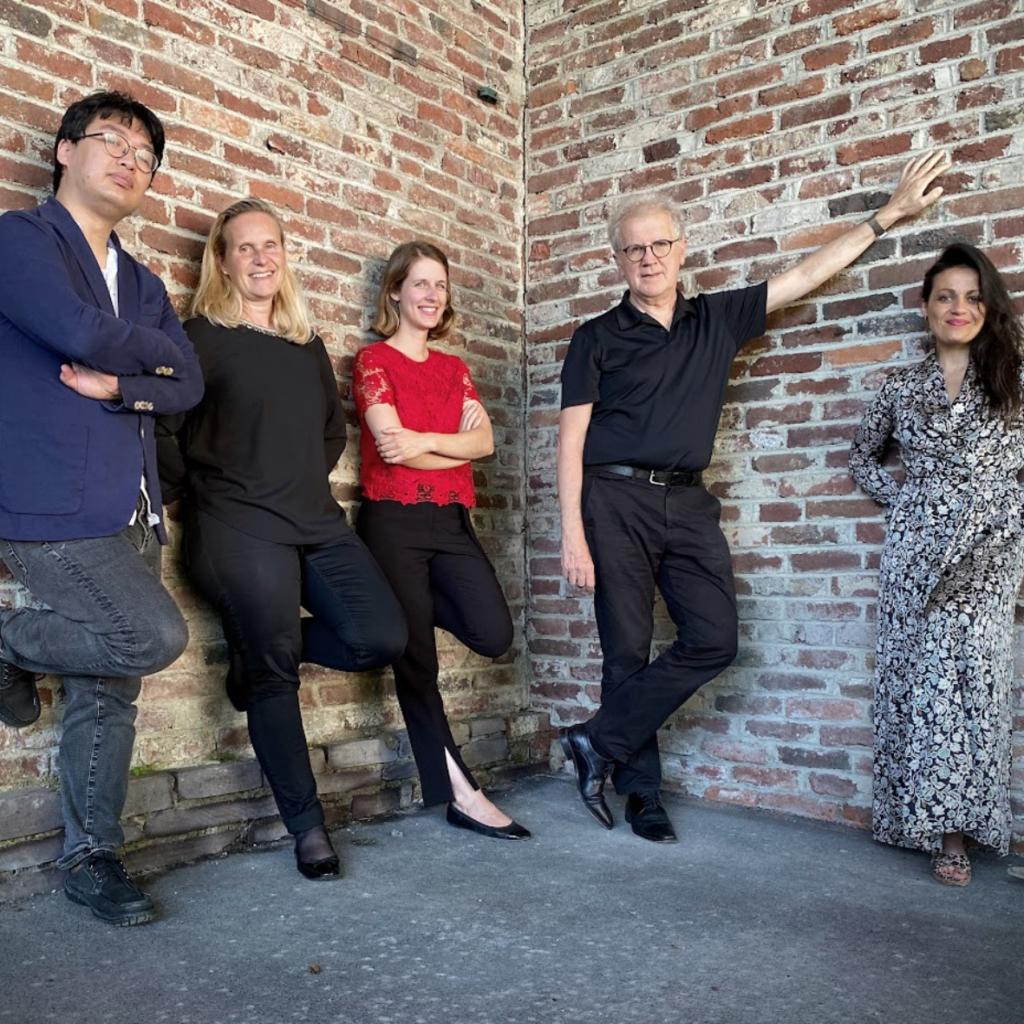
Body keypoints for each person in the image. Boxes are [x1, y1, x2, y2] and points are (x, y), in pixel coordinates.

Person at [557, 152, 951, 843]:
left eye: (659, 245)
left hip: (689, 502)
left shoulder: (718, 318)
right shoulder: (595, 338)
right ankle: (642, 795)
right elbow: (570, 442)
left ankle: (595, 741)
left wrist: (887, 215)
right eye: (634, 250)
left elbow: (803, 276)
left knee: (713, 640)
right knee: (625, 652)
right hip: (613, 501)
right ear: (618, 261)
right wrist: (572, 534)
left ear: (681, 250)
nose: (648, 259)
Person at [158, 198, 408, 881]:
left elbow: (330, 432)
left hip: (313, 519)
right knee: (275, 669)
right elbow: (166, 436)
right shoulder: (198, 339)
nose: (261, 257)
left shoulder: (307, 345)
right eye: (245, 247)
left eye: (271, 244)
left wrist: (291, 478)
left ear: (284, 255)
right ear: (222, 260)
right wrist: (209, 491)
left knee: (379, 635)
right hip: (235, 526)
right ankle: (307, 827)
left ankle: (255, 658)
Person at [0, 92, 203, 924]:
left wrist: (127, 380)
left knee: (110, 687)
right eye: (112, 142)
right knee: (150, 636)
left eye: (146, 157)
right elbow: (73, 330)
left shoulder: (145, 281)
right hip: (45, 497)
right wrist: (149, 366)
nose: (130, 160)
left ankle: (93, 856)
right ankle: (7, 640)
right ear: (63, 151)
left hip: (134, 503)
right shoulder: (19, 240)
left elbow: (188, 386)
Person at [849, 243, 1024, 886]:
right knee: (916, 689)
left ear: (989, 307)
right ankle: (924, 825)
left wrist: (1008, 525)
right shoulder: (901, 387)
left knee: (968, 690)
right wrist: (910, 502)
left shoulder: (1015, 379)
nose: (959, 308)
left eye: (973, 297)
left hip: (990, 551)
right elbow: (863, 458)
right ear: (925, 307)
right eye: (946, 296)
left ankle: (961, 831)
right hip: (914, 557)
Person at [351, 240, 529, 840]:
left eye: (440, 286)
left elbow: (484, 446)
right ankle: (461, 793)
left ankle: (409, 620)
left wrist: (426, 442)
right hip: (392, 524)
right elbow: (389, 448)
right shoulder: (372, 361)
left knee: (493, 631)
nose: (431, 296)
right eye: (420, 284)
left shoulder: (455, 369)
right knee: (417, 665)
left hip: (451, 522)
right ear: (395, 291)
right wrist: (448, 441)